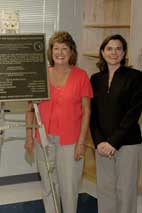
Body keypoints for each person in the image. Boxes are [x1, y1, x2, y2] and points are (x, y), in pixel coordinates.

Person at [25, 31, 93, 213]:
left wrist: (81, 142)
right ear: (51, 51)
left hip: (70, 141)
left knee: (68, 188)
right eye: (56, 48)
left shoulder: (81, 76)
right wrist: (29, 138)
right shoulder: (40, 74)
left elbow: (87, 111)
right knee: (48, 186)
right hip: (43, 139)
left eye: (65, 49)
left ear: (72, 52)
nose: (60, 53)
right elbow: (30, 108)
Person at [90, 34, 142, 213]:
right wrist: (99, 142)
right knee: (105, 191)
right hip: (102, 145)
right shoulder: (95, 79)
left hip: (127, 143)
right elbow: (92, 114)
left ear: (124, 52)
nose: (114, 52)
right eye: (109, 49)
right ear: (102, 52)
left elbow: (133, 113)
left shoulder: (136, 77)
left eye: (118, 48)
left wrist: (114, 142)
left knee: (125, 190)